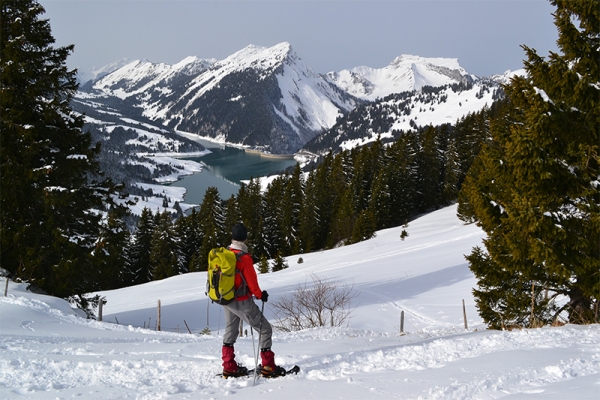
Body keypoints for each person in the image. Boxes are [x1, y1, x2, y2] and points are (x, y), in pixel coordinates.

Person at [221, 223, 286, 378]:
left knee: (230, 332)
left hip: (226, 299)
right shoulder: (243, 257)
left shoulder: (225, 253)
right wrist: (259, 295)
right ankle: (268, 366)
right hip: (241, 301)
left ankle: (229, 366)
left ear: (232, 237)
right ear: (246, 239)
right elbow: (252, 282)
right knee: (265, 329)